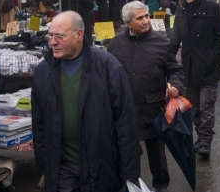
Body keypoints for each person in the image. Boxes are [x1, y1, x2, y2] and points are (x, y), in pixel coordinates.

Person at [32, 11, 141, 192]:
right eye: (50, 36)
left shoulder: (108, 67)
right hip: (62, 168)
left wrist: (129, 172)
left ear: (79, 34)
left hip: (101, 167)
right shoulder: (44, 71)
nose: (52, 42)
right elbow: (38, 122)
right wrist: (44, 164)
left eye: (59, 36)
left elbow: (126, 123)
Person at [107, 1, 185, 192]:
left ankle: (161, 185)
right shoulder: (115, 44)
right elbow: (106, 75)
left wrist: (175, 86)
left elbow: (176, 70)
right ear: (128, 22)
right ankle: (131, 184)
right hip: (125, 110)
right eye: (140, 18)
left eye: (147, 16)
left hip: (153, 107)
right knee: (127, 150)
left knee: (156, 153)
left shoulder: (161, 42)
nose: (146, 21)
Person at [170, 0, 220, 158]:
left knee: (206, 106)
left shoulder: (212, 9)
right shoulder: (181, 10)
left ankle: (205, 142)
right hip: (189, 68)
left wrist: (212, 56)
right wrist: (166, 60)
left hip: (208, 68)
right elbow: (175, 39)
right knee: (194, 107)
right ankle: (200, 138)